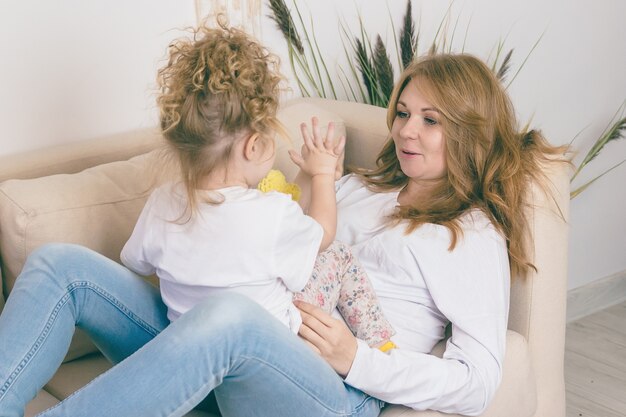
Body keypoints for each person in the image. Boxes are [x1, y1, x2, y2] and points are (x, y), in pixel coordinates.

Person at [0, 46, 566, 417]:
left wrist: (355, 359)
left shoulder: (468, 234)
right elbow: (268, 233)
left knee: (229, 317)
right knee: (60, 265)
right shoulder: (361, 187)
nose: (404, 132)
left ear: (469, 131)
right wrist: (309, 176)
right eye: (402, 113)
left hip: (334, 388)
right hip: (239, 347)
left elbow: (478, 379)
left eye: (430, 120)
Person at [119, 22, 394, 349]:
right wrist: (322, 175)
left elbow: (136, 262)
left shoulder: (163, 203)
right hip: (273, 360)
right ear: (253, 146)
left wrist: (304, 176)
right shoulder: (271, 215)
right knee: (337, 254)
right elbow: (321, 232)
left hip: (195, 358)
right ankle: (383, 346)